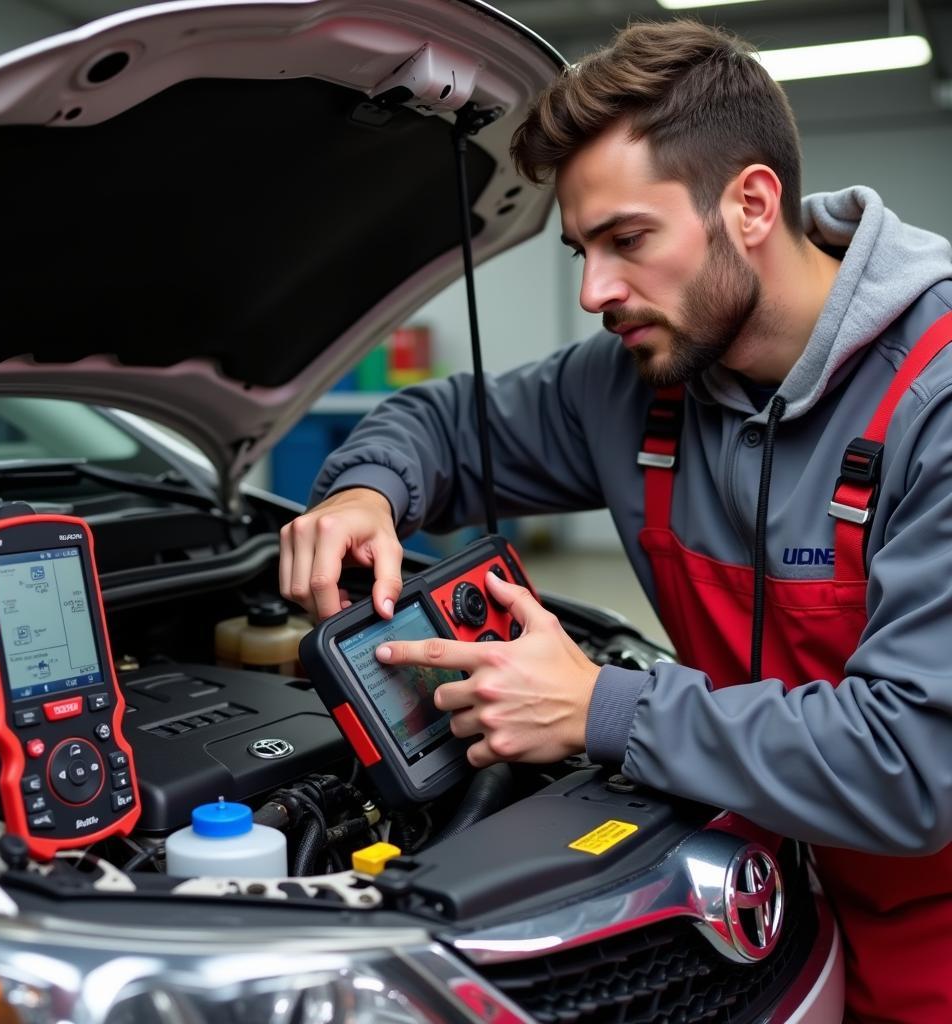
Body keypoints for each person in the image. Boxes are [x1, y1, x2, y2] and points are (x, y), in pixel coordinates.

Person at [279, 19, 952, 1023]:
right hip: (791, 897)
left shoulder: (932, 399)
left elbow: (911, 762)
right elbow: (441, 423)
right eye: (581, 249)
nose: (595, 291)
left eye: (628, 240)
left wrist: (601, 706)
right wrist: (364, 490)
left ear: (752, 204)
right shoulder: (639, 380)